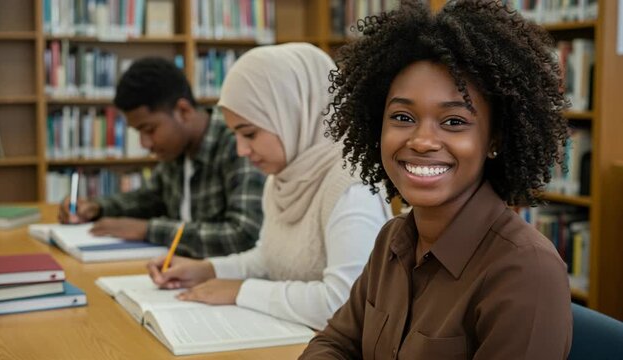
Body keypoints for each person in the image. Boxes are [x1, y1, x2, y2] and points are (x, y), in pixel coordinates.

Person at [300, 0, 573, 358]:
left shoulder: (525, 271)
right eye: (402, 117)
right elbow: (335, 344)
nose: (422, 141)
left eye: (454, 122)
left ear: (494, 140)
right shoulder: (392, 241)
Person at [147, 43, 392, 330]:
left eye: (249, 133)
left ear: (294, 112)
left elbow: (345, 303)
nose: (241, 150)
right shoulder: (283, 177)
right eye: (235, 135)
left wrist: (240, 290)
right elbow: (270, 257)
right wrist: (209, 270)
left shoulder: (353, 188)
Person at [57, 57, 265, 258]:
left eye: (149, 129)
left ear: (183, 111)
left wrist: (148, 230)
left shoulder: (238, 144)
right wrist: (96, 208)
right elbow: (147, 199)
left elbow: (243, 235)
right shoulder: (177, 150)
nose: (145, 144)